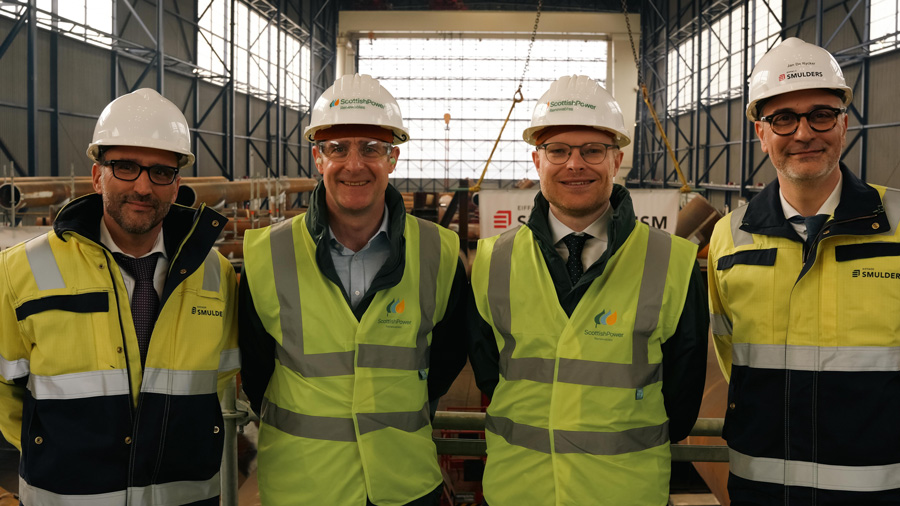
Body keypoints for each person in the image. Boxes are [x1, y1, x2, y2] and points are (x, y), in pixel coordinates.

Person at [467, 74, 709, 505]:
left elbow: (682, 395)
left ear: (616, 161)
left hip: (624, 493)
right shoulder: (492, 260)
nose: (574, 164)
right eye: (557, 150)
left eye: (592, 150)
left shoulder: (673, 261)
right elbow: (489, 371)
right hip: (519, 490)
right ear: (537, 161)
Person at [0, 88, 240, 505]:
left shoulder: (216, 274)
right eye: (125, 167)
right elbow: (5, 391)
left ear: (176, 185)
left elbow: (216, 381)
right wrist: (53, 449)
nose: (143, 187)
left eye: (161, 172)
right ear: (98, 176)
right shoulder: (20, 270)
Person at [238, 74, 468, 506]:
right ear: (317, 157)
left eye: (372, 148)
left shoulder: (438, 251)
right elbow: (255, 370)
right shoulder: (267, 253)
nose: (354, 164)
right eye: (338, 148)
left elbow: (448, 356)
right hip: (303, 488)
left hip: (403, 485)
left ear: (393, 158)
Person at [708, 37, 900, 505]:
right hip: (762, 487)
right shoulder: (729, 237)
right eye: (783, 119)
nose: (803, 133)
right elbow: (730, 352)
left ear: (844, 123)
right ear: (761, 133)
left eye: (821, 115)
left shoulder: (897, 224)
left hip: (879, 487)